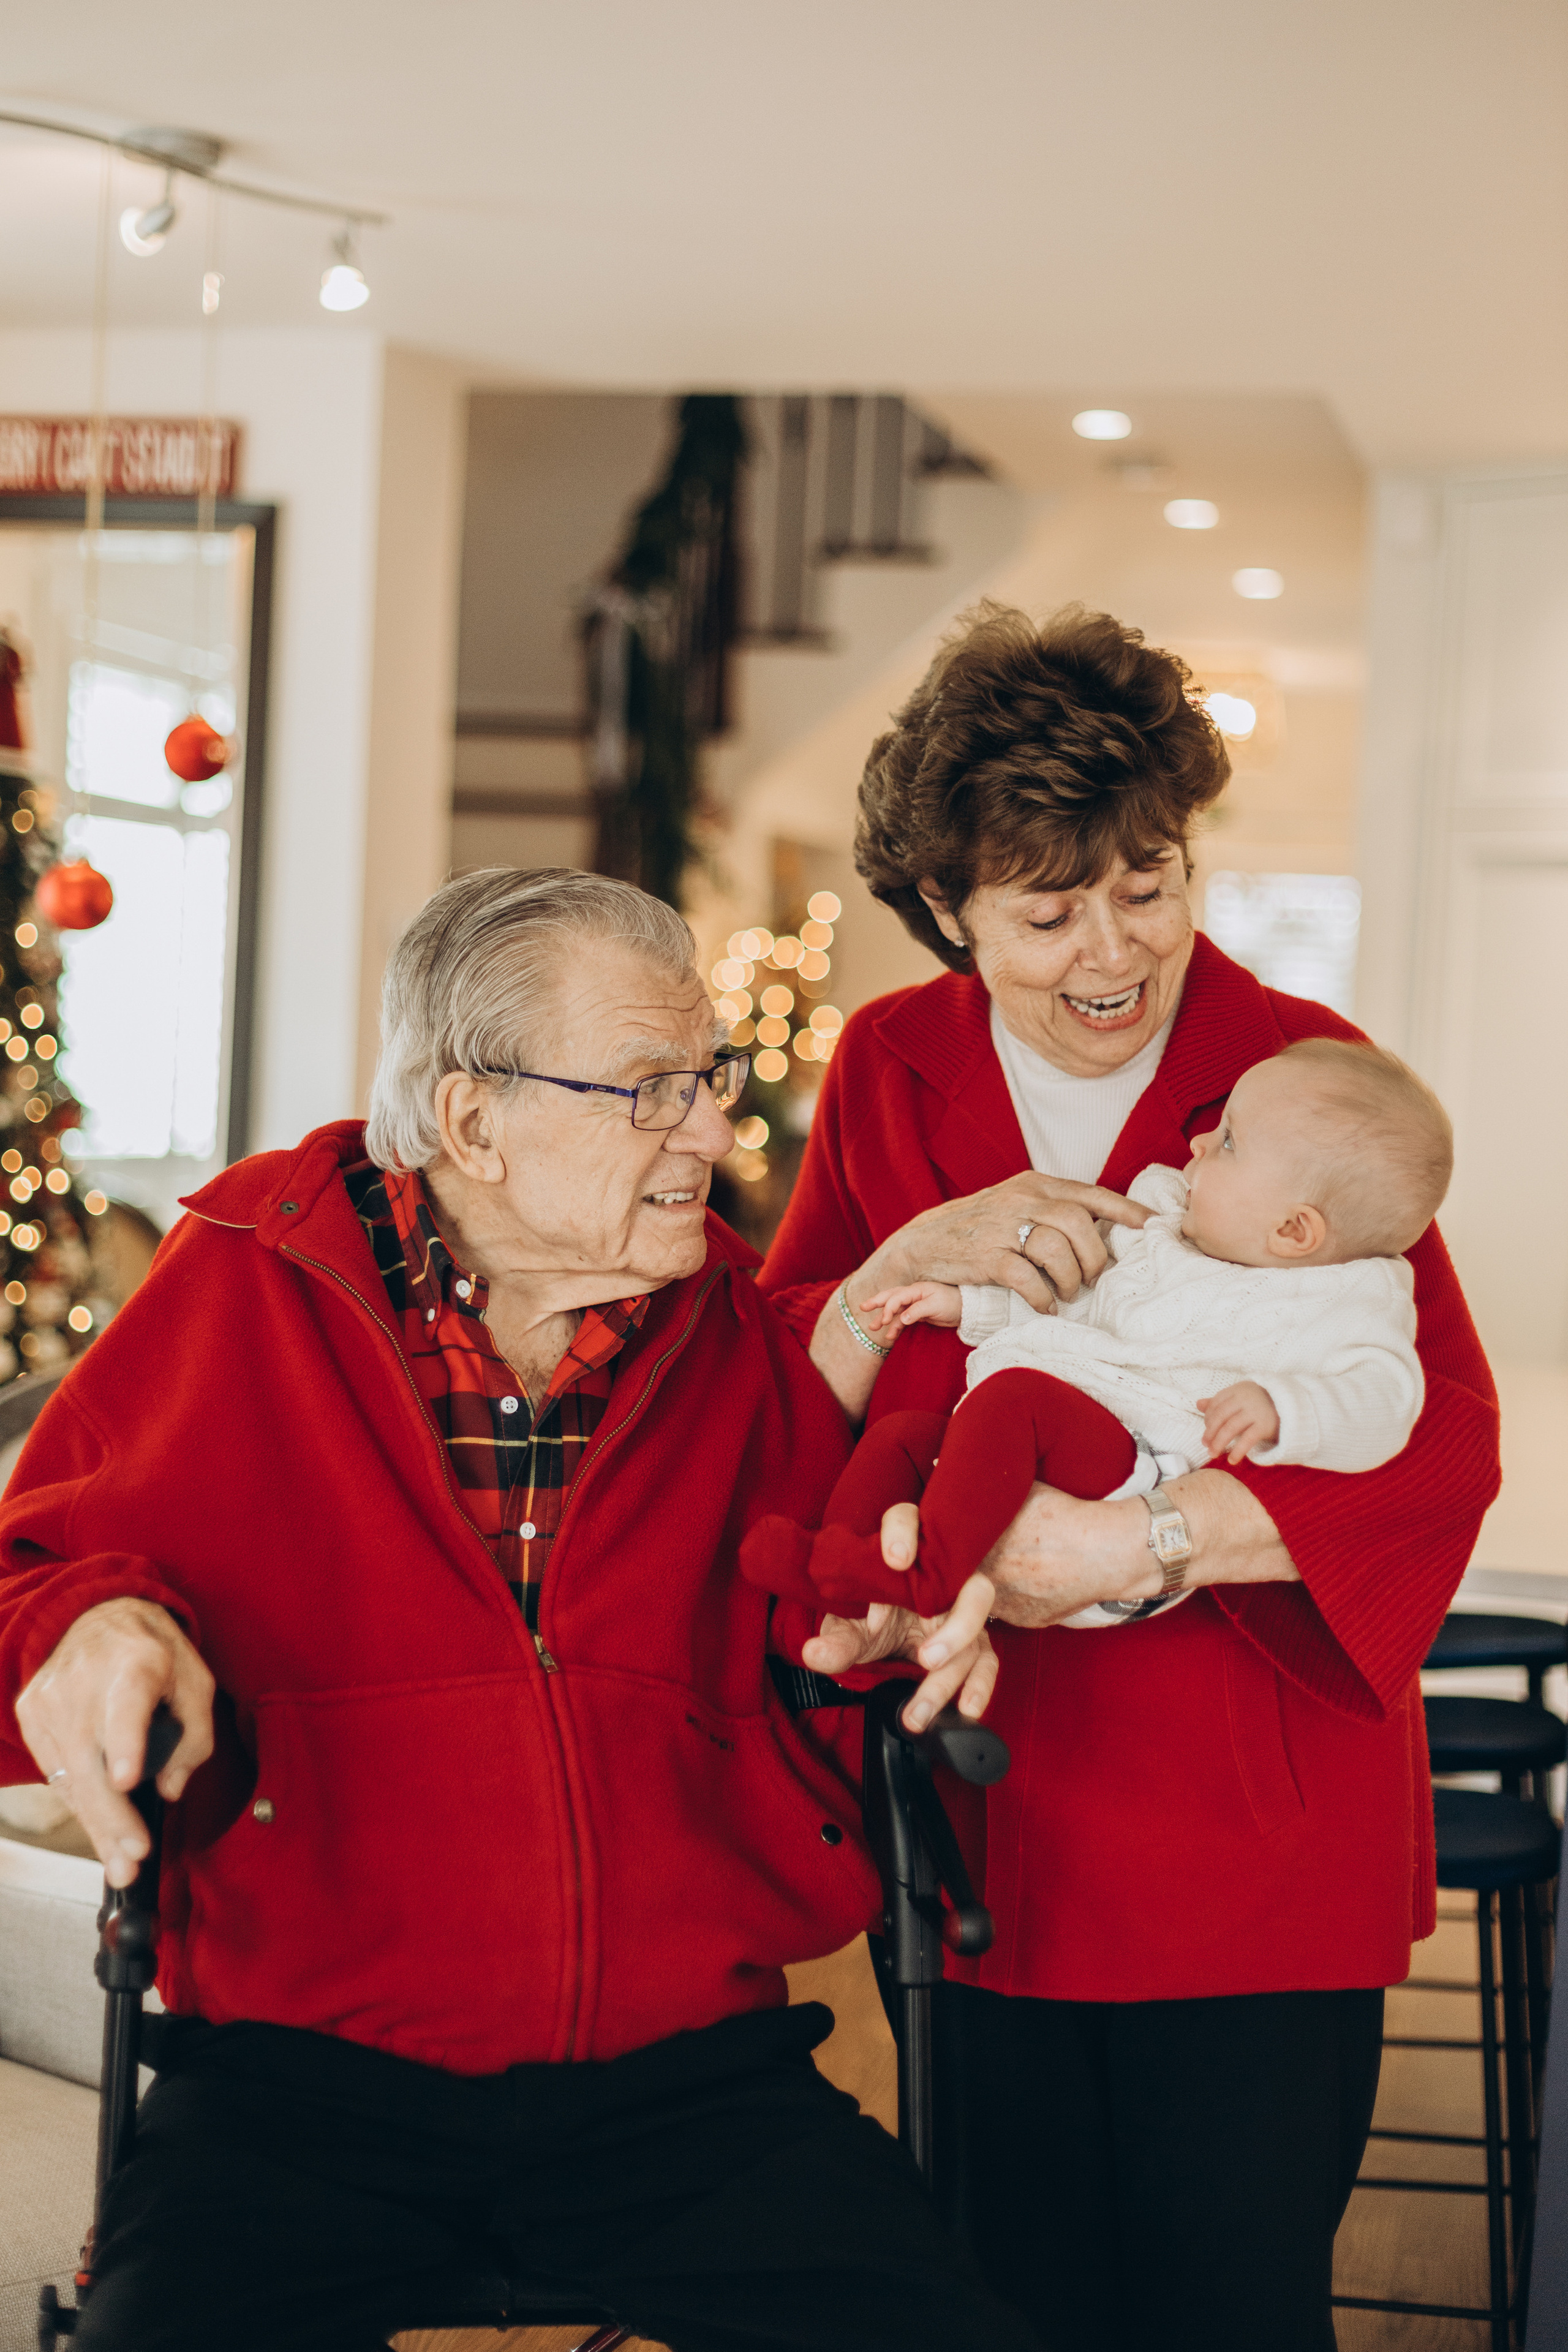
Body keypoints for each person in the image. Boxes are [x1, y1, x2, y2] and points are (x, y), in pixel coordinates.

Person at [0, 868, 1031, 2352]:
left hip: (686, 2083)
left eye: (706, 1077)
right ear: (473, 1119)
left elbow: (833, 1611)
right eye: (652, 1088)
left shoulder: (736, 1334)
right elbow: (30, 1583)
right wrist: (94, 1624)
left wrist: (891, 1629)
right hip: (301, 2083)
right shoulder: (242, 1288)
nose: (710, 1130)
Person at [759, 603, 1502, 2352]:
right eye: (1047, 910)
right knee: (1005, 2293)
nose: (1113, 951)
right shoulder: (888, 1067)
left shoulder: (1302, 1076)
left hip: (1250, 1817)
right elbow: (788, 1370)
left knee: (1227, 2300)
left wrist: (1130, 1541)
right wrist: (905, 1262)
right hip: (980, 1811)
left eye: (1147, 884)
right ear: (946, 907)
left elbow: (1439, 1437)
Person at [744, 1035, 1442, 1623]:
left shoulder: (1345, 1298)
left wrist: (1284, 1408)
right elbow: (1076, 1310)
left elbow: (1387, 1398)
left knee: (1014, 1400)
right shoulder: (1168, 1230)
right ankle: (840, 1568)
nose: (1200, 1140)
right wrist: (967, 1307)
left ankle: (930, 1579)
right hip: (1051, 1436)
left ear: (1293, 1230)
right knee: (905, 1440)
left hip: (1140, 1469)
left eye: (1228, 1141)